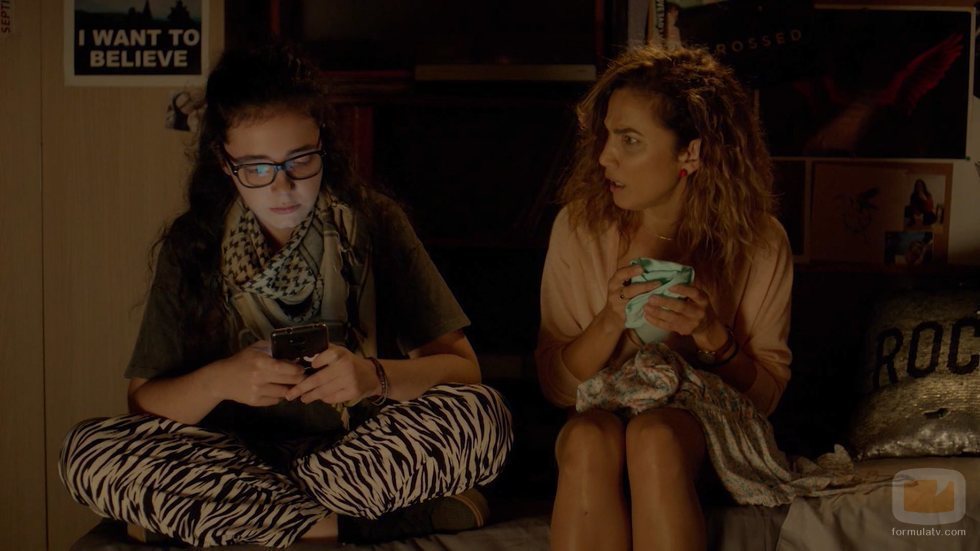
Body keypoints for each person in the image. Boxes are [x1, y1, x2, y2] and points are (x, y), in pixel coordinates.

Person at [59, 43, 513, 548]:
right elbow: (143, 406)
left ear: (323, 145)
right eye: (257, 167)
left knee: (483, 416)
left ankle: (229, 522)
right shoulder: (193, 243)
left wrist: (374, 377)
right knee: (88, 452)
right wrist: (221, 380)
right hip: (232, 462)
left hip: (359, 456)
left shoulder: (374, 222)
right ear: (224, 162)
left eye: (300, 161)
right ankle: (343, 524)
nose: (283, 188)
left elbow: (462, 370)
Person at [535, 45, 793, 551]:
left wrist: (712, 335)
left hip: (702, 430)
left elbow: (765, 398)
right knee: (587, 437)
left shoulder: (760, 241)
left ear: (690, 154)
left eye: (629, 140)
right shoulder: (579, 227)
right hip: (602, 417)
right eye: (607, 135)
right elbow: (557, 388)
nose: (606, 156)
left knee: (655, 437)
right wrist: (611, 319)